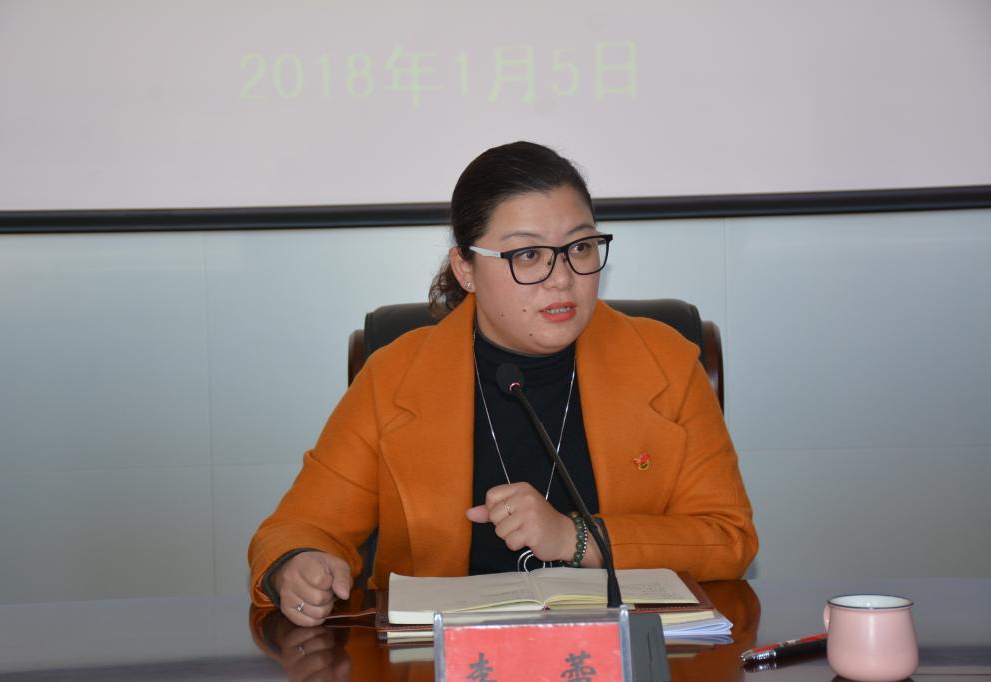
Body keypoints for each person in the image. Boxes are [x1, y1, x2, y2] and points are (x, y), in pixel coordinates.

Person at [248, 141, 758, 626]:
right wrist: (298, 564)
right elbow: (299, 528)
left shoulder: (664, 362)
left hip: (617, 654)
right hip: (441, 660)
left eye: (580, 247)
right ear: (465, 268)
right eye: (528, 255)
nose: (562, 278)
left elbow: (728, 537)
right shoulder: (395, 377)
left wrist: (578, 538)